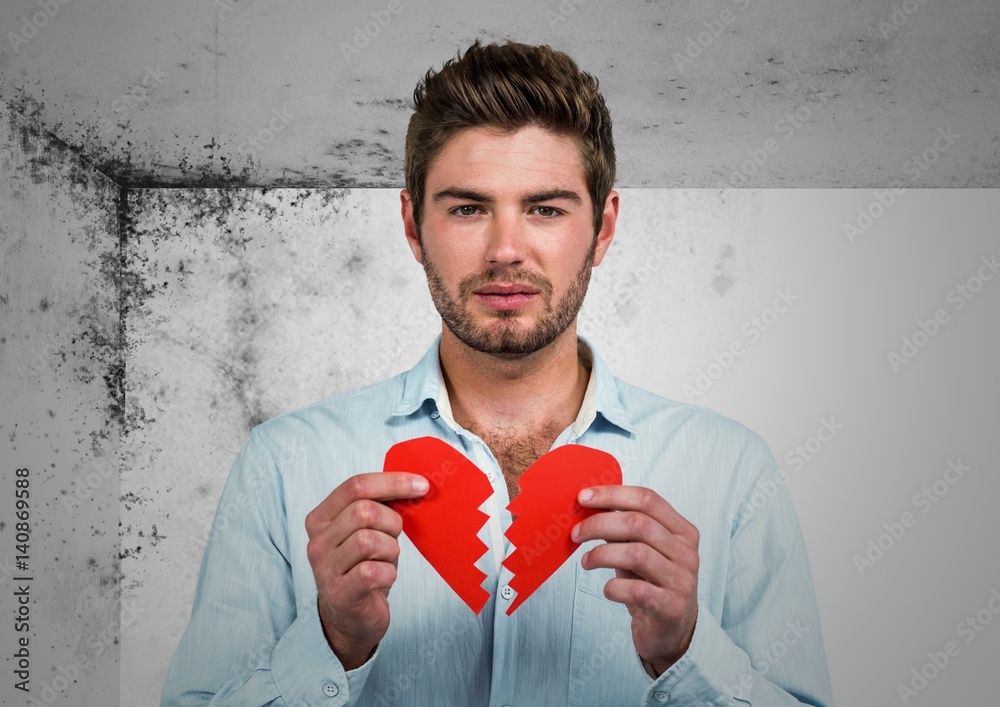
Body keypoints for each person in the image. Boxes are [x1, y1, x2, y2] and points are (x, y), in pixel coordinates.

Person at [161, 40, 834, 706]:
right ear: (413, 226)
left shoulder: (731, 471)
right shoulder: (284, 466)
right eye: (467, 208)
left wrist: (687, 650)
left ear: (602, 228)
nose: (505, 250)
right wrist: (331, 641)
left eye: (545, 208)